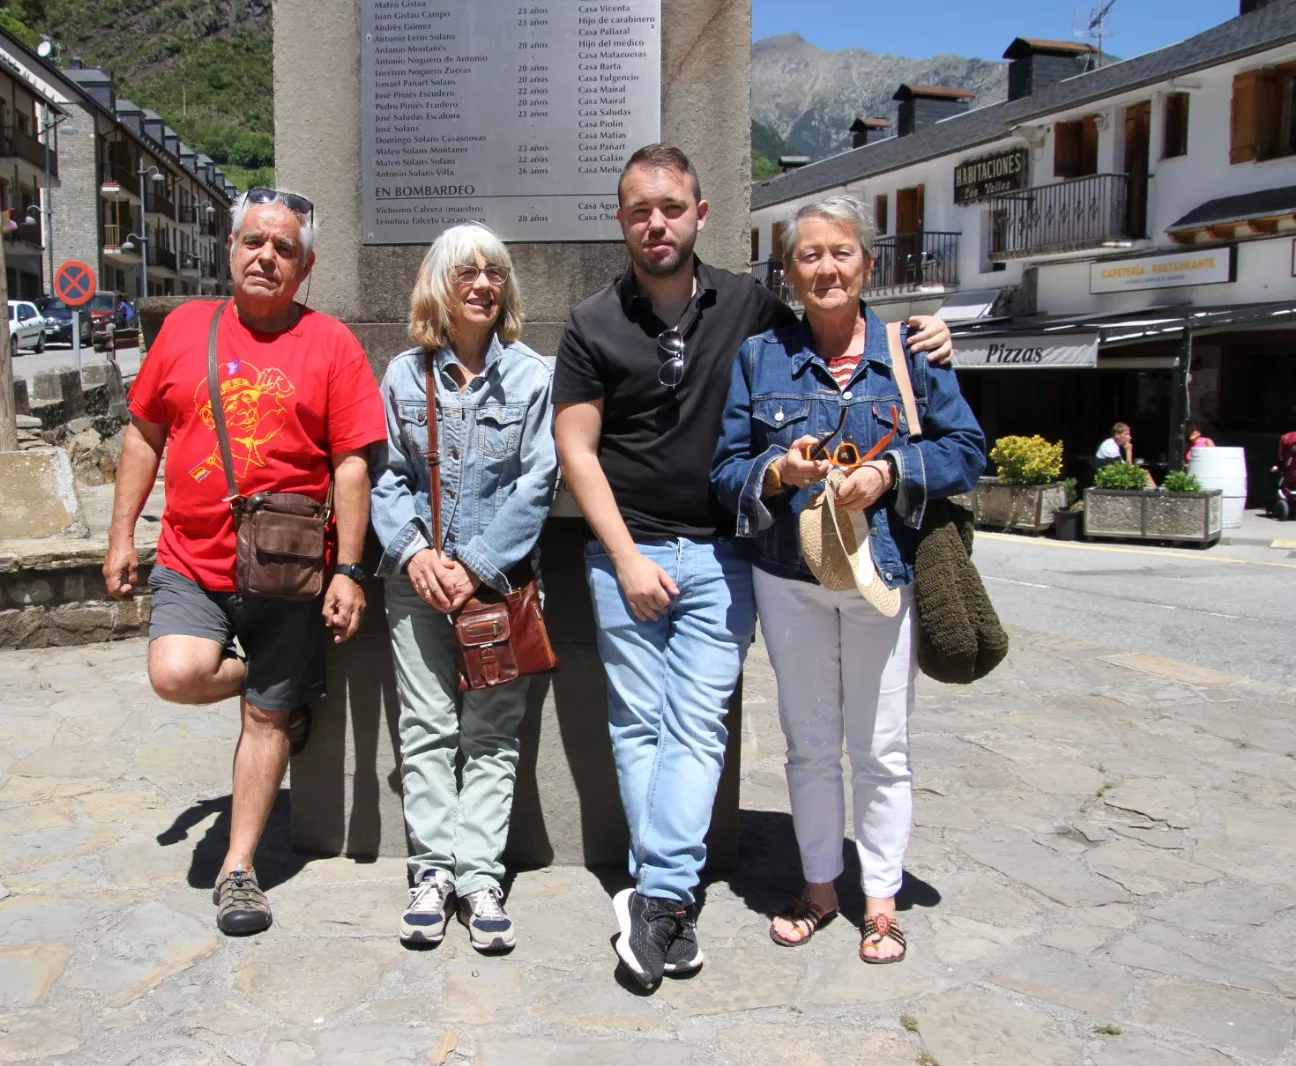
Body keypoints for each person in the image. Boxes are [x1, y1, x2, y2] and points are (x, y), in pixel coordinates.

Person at [551, 143, 955, 989]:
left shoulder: (751, 308)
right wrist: (624, 556)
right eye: (637, 210)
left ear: (701, 215)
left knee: (696, 727)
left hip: (727, 557)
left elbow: (838, 331)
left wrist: (925, 335)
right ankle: (667, 902)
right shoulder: (591, 323)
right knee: (637, 727)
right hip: (624, 556)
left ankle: (657, 896)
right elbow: (575, 448)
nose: (654, 222)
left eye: (670, 207)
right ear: (620, 220)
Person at [103, 187, 386, 936]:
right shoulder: (184, 329)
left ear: (307, 265)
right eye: (254, 242)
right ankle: (278, 693)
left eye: (283, 247)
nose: (266, 256)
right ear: (230, 249)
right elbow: (142, 437)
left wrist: (349, 571)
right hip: (192, 558)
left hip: (291, 569)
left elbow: (351, 466)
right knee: (177, 672)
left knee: (263, 719)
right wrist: (120, 534)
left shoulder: (332, 346)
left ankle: (239, 870)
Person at [711, 195, 985, 965]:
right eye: (809, 255)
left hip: (881, 574)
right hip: (790, 576)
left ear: (866, 262)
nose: (826, 268)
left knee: (882, 746)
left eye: (841, 252)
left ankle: (881, 901)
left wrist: (893, 470)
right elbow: (727, 466)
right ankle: (820, 886)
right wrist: (777, 470)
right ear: (790, 271)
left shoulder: (910, 351)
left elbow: (968, 447)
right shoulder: (760, 358)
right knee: (808, 741)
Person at [371, 223, 558, 953]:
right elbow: (388, 476)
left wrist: (473, 563)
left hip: (496, 588)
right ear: (438, 286)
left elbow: (538, 482)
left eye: (494, 272)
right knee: (425, 729)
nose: (483, 284)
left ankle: (479, 875)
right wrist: (417, 554)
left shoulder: (533, 378)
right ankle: (432, 873)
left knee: (490, 735)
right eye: (467, 272)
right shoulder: (401, 376)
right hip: (417, 585)